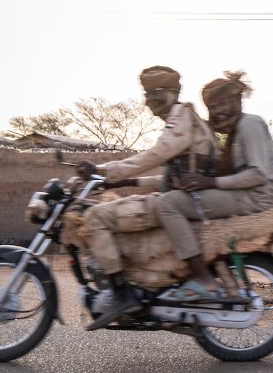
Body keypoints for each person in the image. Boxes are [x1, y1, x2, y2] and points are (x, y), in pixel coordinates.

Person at [79, 65, 217, 330]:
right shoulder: (186, 119)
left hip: (182, 202)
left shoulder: (180, 115)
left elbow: (158, 154)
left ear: (173, 92)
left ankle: (123, 294)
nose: (149, 100)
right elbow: (170, 175)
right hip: (186, 197)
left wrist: (105, 170)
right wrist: (128, 181)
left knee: (96, 216)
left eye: (157, 93)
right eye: (147, 94)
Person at [157, 70, 273, 301]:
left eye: (223, 104)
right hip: (248, 193)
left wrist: (210, 182)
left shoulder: (249, 124)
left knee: (168, 204)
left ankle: (202, 278)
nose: (218, 111)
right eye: (213, 107)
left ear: (237, 101)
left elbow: (258, 174)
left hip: (256, 196)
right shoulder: (236, 132)